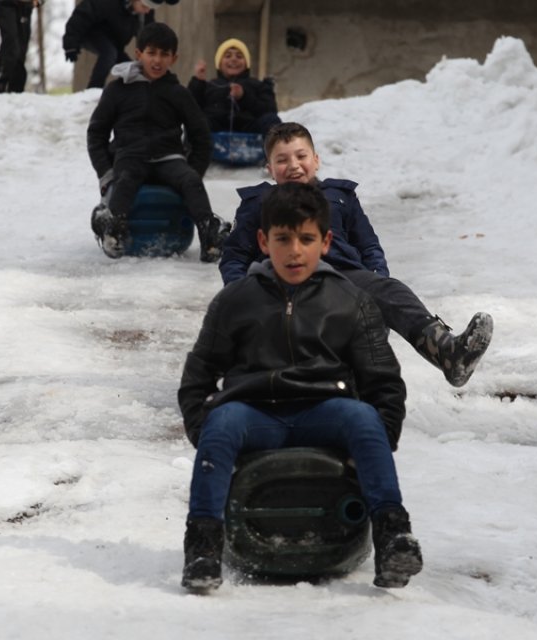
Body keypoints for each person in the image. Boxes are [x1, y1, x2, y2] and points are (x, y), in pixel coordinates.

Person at [178, 181, 423, 592]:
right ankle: (202, 547)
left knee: (363, 418)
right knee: (222, 423)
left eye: (306, 239)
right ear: (263, 240)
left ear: (326, 242)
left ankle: (393, 535)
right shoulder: (236, 300)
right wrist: (204, 431)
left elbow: (383, 378)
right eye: (283, 239)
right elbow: (198, 375)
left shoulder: (351, 300)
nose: (295, 250)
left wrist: (381, 439)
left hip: (326, 408)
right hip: (255, 412)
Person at [219, 122, 494, 387]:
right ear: (269, 168)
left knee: (392, 291)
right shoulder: (258, 204)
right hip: (284, 282)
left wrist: (376, 280)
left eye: (301, 156)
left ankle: (447, 353)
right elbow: (234, 256)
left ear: (316, 160)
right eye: (282, 160)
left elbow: (369, 246)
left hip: (344, 278)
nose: (293, 165)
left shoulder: (339, 196)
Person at [86, 22, 230, 261]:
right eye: (151, 53)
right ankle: (113, 230)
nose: (157, 60)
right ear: (139, 54)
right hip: (130, 157)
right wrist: (105, 172)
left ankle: (210, 235)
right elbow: (97, 133)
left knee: (190, 181)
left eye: (164, 54)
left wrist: (193, 169)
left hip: (168, 158)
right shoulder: (118, 90)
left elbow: (201, 135)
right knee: (125, 180)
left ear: (174, 58)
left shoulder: (178, 94)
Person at [63, 0, 176, 90]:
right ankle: (93, 90)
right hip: (90, 32)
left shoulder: (144, 14)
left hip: (113, 43)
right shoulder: (109, 3)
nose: (147, 11)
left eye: (150, 8)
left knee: (132, 67)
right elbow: (82, 15)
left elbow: (150, 36)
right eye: (144, 6)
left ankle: (138, 92)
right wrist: (70, 44)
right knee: (109, 53)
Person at [188, 38, 281, 134]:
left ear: (246, 63)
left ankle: (276, 148)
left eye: (239, 56)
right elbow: (191, 108)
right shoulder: (209, 86)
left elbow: (269, 110)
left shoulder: (258, 85)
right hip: (214, 130)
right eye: (228, 56)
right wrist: (198, 82)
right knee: (197, 122)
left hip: (250, 128)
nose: (233, 59)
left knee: (271, 120)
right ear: (219, 63)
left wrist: (244, 96)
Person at [0, 0, 39, 93]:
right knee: (11, 43)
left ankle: (16, 89)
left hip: (25, 6)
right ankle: (0, 82)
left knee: (22, 48)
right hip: (6, 4)